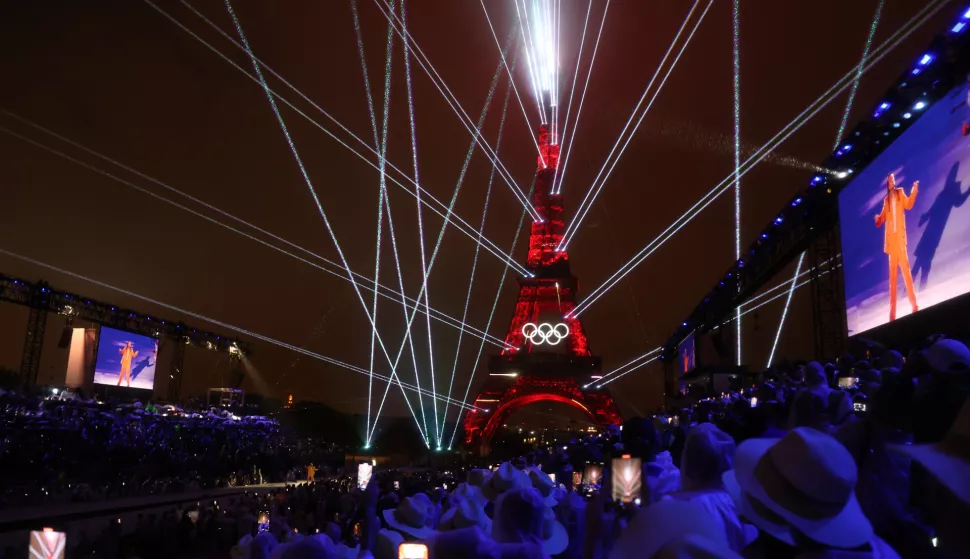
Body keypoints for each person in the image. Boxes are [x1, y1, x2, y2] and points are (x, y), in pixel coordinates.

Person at [874, 173, 919, 322]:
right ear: (887, 184)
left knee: (906, 275)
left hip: (900, 242)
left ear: (895, 181)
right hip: (891, 245)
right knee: (892, 280)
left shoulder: (900, 193)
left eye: (892, 180)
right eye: (889, 181)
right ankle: (892, 315)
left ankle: (914, 305)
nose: (891, 182)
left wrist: (914, 190)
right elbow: (881, 219)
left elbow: (909, 205)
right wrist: (877, 219)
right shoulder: (886, 200)